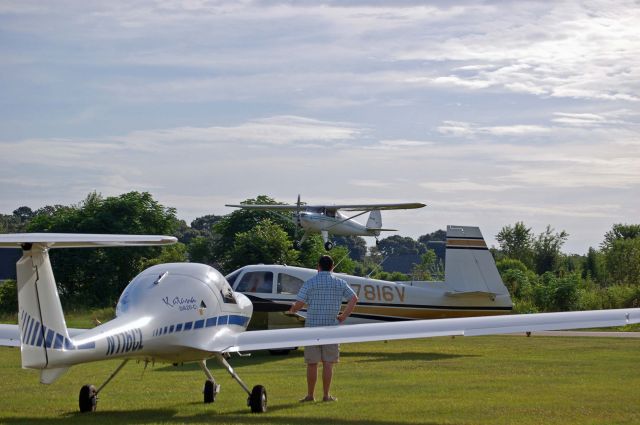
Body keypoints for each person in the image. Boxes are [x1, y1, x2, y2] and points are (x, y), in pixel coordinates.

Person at [287, 255, 358, 402]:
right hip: (331, 328)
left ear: (317, 267)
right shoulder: (340, 283)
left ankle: (310, 395)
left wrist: (293, 309)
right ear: (332, 267)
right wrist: (343, 316)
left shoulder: (310, 282)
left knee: (312, 363)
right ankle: (326, 395)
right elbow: (354, 298)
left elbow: (299, 304)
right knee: (328, 363)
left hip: (312, 328)